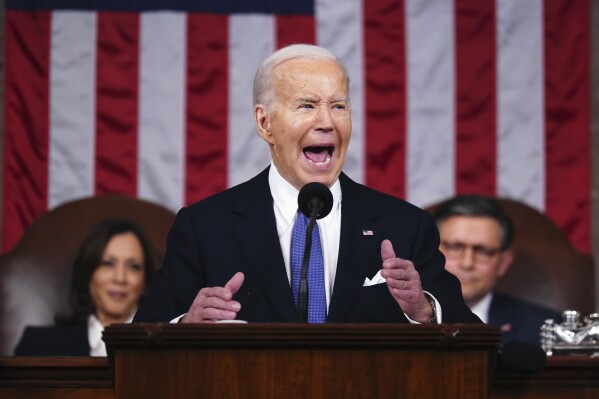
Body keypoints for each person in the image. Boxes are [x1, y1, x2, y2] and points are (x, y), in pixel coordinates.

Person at [133, 44, 479, 325]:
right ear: (265, 122)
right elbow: (143, 341)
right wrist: (187, 326)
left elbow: (473, 341)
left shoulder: (404, 226)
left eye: (338, 106)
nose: (326, 121)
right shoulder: (205, 227)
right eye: (307, 105)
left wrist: (423, 311)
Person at [431, 195, 561, 346]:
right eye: (455, 247)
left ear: (503, 263)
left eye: (483, 251)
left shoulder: (542, 327)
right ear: (432, 254)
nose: (467, 263)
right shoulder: (399, 317)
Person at [14, 219, 157, 356]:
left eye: (133, 267)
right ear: (89, 275)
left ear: (145, 281)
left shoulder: (164, 350)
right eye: (108, 263)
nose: (120, 278)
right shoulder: (38, 345)